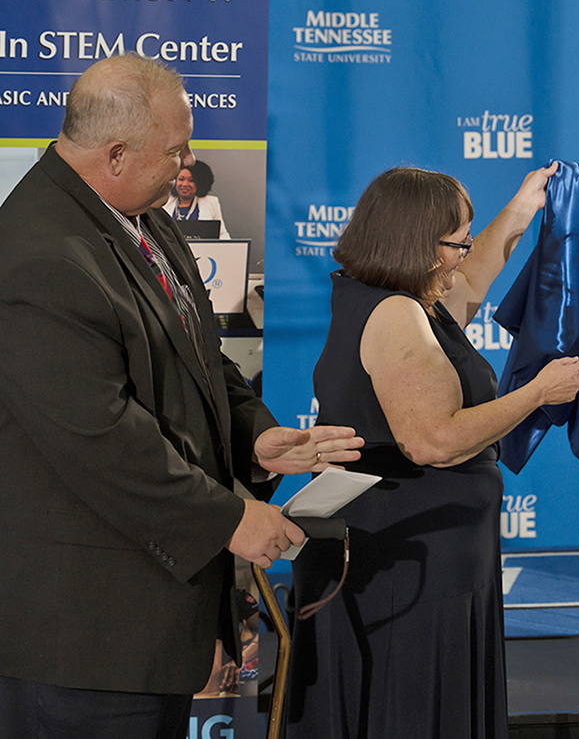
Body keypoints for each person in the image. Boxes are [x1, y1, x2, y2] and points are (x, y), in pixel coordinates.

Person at [0, 53, 364, 739]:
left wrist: (254, 436)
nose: (187, 164)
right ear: (115, 154)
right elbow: (101, 441)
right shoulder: (38, 253)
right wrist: (231, 518)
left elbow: (199, 359)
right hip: (82, 644)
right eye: (176, 149)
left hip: (144, 630)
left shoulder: (146, 218)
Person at [287, 164, 579, 738]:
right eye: (455, 242)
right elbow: (434, 442)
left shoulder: (378, 293)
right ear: (416, 243)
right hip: (405, 562)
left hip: (410, 551)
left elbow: (472, 281)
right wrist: (537, 393)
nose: (463, 254)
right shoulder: (397, 314)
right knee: (412, 709)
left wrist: (523, 207)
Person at [163, 159, 229, 238]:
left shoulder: (211, 202)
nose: (184, 184)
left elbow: (221, 234)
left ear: (200, 183)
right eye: (181, 179)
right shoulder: (165, 202)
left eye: (191, 180)